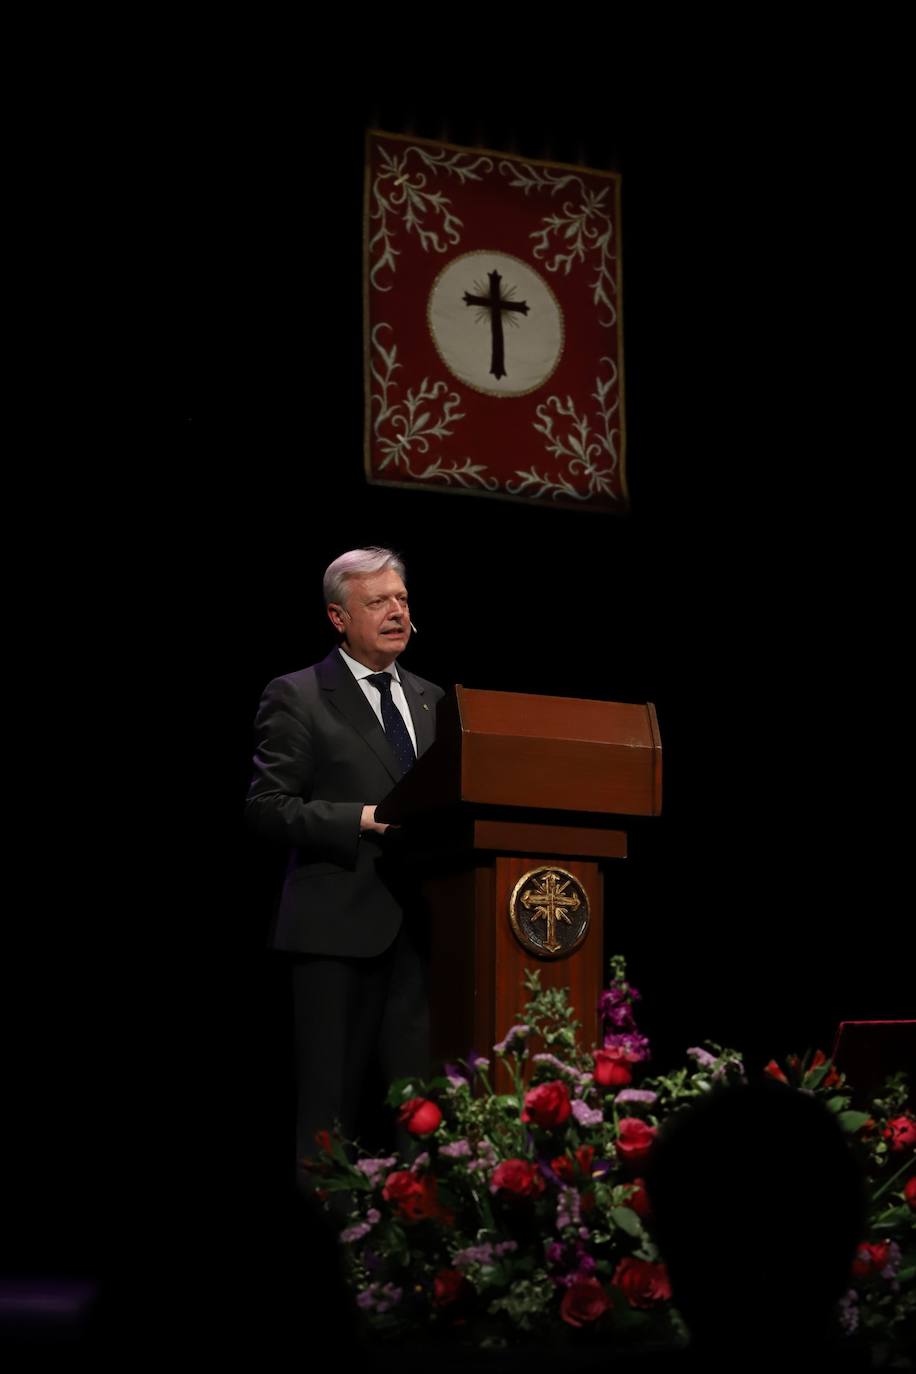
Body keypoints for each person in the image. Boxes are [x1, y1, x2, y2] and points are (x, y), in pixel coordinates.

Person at [246, 547, 444, 1182]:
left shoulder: (436, 700)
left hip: (422, 933)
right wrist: (358, 819)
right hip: (335, 933)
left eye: (403, 600)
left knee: (422, 1112)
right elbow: (268, 809)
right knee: (329, 1113)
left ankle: (417, 1258)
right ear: (338, 616)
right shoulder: (298, 695)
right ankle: (326, 1266)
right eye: (378, 602)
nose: (397, 612)